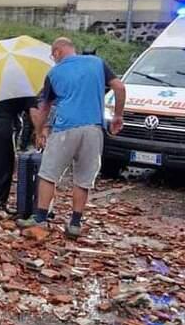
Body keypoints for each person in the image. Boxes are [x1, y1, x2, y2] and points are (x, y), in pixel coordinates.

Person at [16, 38, 125, 239]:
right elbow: (119, 87)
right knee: (83, 178)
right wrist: (118, 115)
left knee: (48, 174)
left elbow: (44, 107)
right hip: (93, 128)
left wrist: (40, 131)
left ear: (57, 52)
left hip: (65, 128)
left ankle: (40, 218)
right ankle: (75, 223)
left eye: (52, 55)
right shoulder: (97, 63)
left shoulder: (54, 73)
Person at [0, 93, 38, 213]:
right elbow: (34, 112)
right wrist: (39, 130)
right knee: (4, 165)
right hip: (4, 125)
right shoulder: (24, 89)